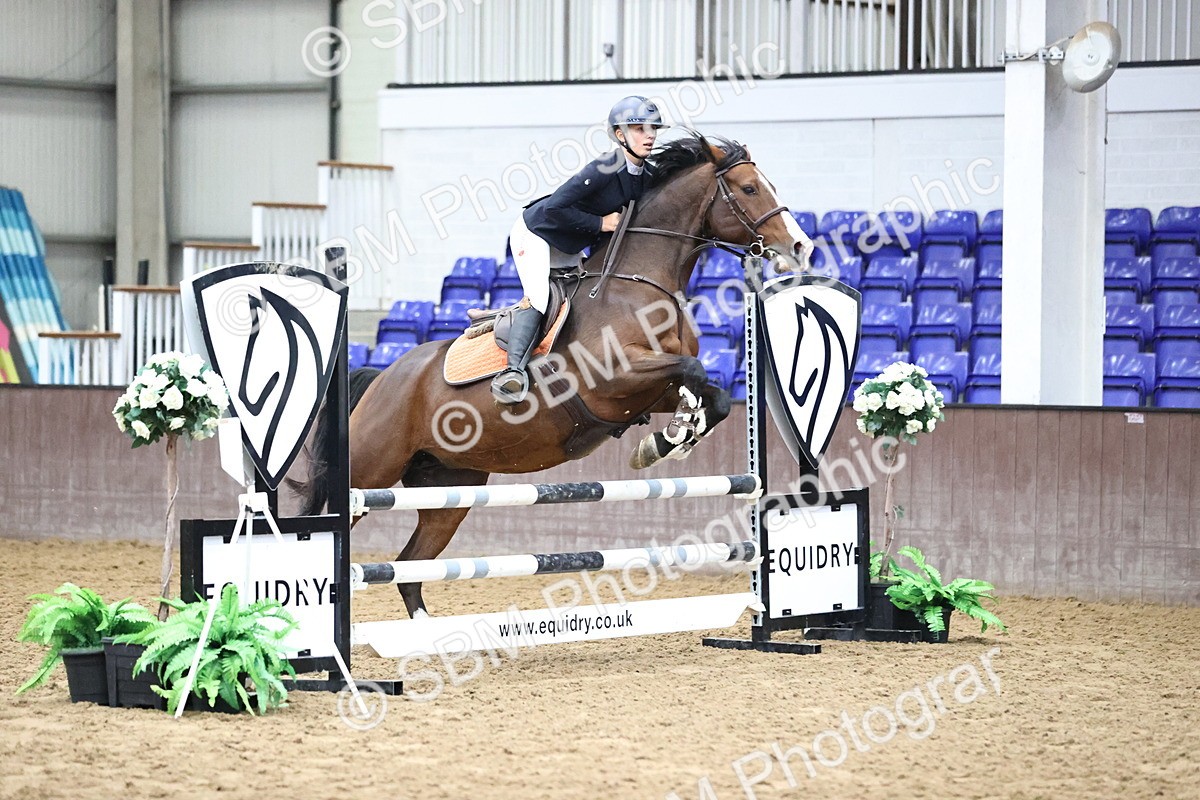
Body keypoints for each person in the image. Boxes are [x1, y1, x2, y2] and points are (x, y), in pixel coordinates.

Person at [492, 95, 667, 405]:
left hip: (570, 241)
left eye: (653, 128)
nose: (649, 135)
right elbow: (554, 209)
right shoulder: (605, 166)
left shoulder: (648, 176)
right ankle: (512, 373)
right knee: (541, 297)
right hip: (536, 232)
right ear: (619, 135)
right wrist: (600, 223)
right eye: (639, 128)